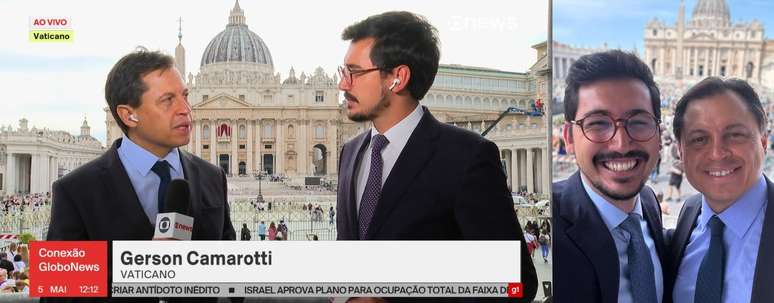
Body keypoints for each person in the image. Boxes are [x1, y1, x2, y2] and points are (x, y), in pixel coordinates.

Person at [333, 11, 537, 302]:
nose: (343, 84)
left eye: (354, 72)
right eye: (343, 72)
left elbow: (516, 284)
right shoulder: (350, 153)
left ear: (398, 78)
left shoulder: (467, 157)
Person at [44, 49, 236, 303]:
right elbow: (58, 296)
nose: (186, 109)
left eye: (185, 96)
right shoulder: (76, 190)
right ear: (128, 115)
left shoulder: (212, 177)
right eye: (168, 100)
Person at [552, 50, 669, 303]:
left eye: (638, 121)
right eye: (597, 123)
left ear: (658, 136)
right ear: (569, 138)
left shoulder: (648, 201)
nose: (621, 144)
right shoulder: (550, 220)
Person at [669, 77, 774, 303]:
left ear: (764, 141)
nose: (717, 153)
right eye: (699, 139)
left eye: (735, 135)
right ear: (681, 151)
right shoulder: (689, 212)